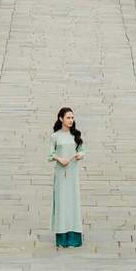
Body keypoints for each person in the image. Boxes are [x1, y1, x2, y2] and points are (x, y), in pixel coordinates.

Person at [48, 106, 85, 248]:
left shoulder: (75, 135)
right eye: (68, 117)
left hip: (73, 174)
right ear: (61, 119)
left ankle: (74, 237)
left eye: (72, 118)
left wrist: (79, 155)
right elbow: (50, 155)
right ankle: (62, 237)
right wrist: (59, 158)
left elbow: (82, 150)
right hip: (61, 174)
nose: (71, 120)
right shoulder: (55, 136)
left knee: (73, 202)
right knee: (62, 202)